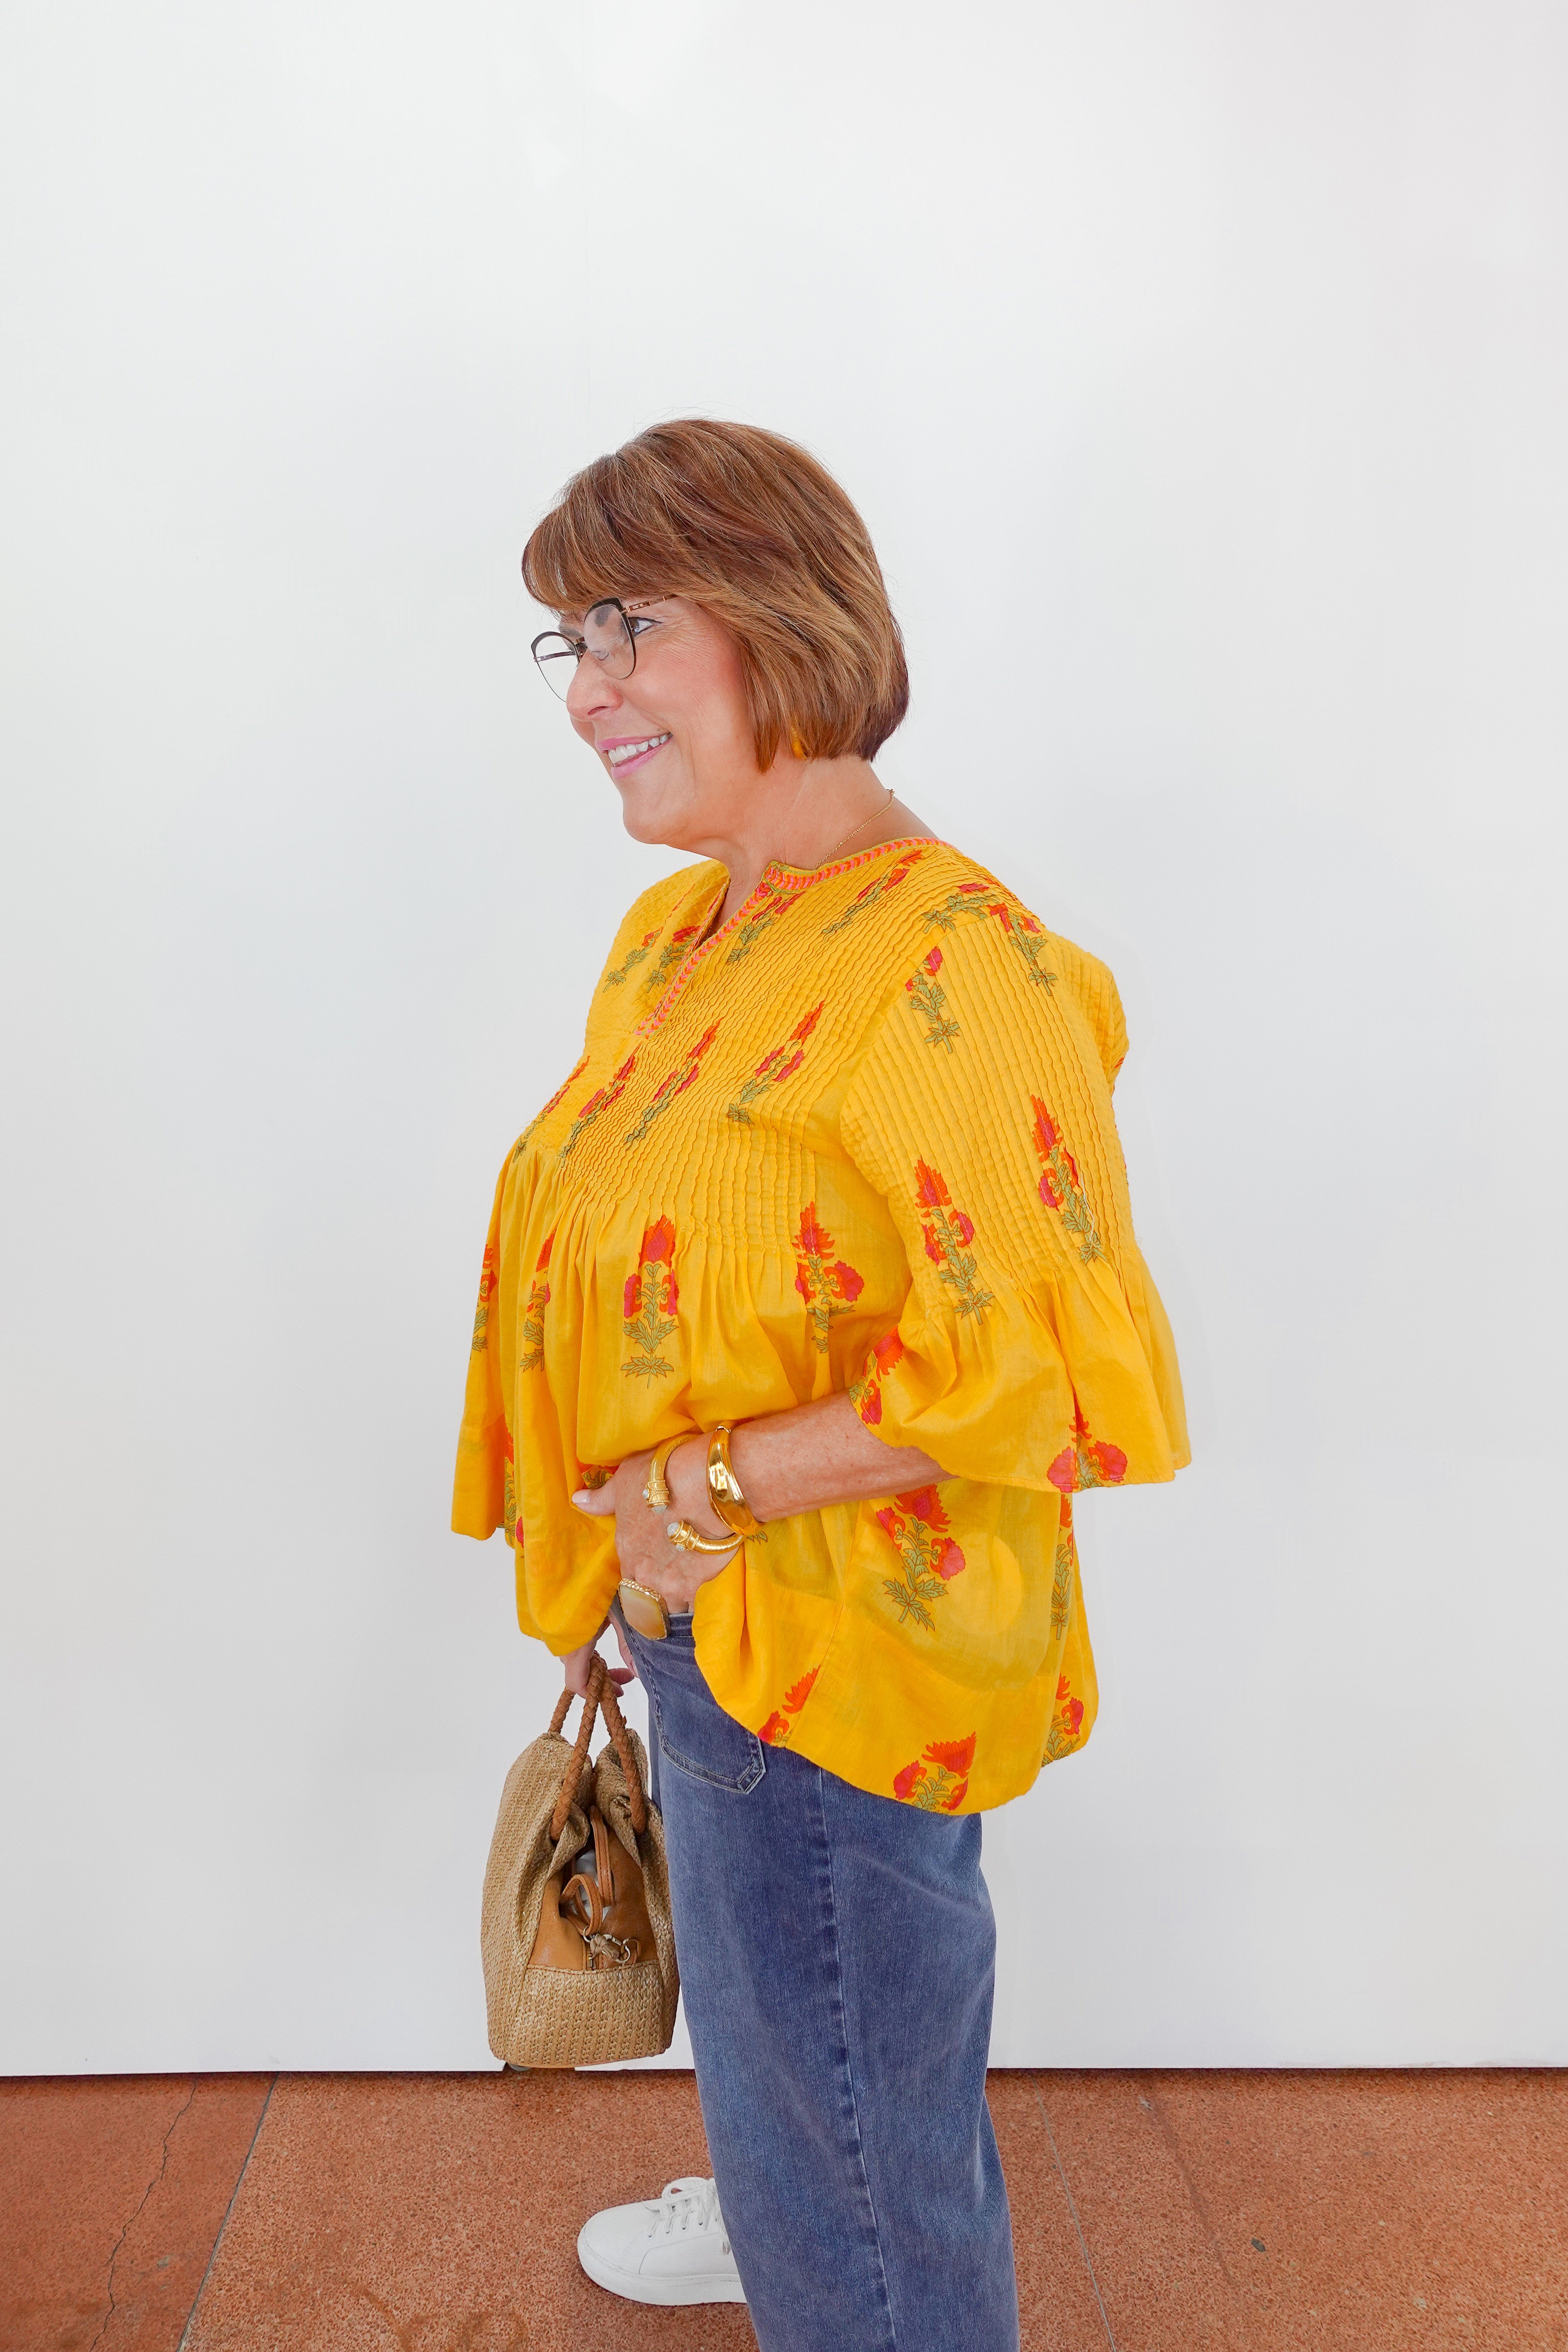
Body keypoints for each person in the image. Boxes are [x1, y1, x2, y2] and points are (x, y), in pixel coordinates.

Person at [453, 419, 1187, 2351]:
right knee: (809, 2065)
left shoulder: (961, 970)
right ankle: (787, 2202)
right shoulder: (680, 938)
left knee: (863, 2155)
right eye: (570, 642)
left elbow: (1052, 1372)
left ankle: (850, 2275)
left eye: (630, 627)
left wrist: (699, 1494)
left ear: (783, 619)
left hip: (841, 1662)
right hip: (705, 1626)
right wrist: (626, 1549)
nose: (586, 690)